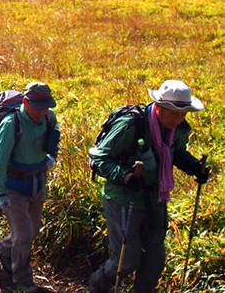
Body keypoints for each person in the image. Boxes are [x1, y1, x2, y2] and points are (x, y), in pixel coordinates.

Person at [88, 80, 210, 293]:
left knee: (154, 263)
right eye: (173, 113)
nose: (178, 119)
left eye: (183, 114)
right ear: (160, 107)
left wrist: (193, 167)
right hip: (124, 199)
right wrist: (124, 176)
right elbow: (100, 158)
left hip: (156, 199)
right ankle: (97, 284)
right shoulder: (132, 125)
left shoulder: (177, 128)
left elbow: (176, 152)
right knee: (126, 262)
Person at [0, 82, 60, 293]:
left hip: (37, 183)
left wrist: (52, 158)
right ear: (26, 102)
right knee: (24, 235)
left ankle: (3, 248)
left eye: (46, 106)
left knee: (33, 229)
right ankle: (22, 281)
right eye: (39, 106)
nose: (43, 111)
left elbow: (54, 140)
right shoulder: (11, 125)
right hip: (13, 187)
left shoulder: (48, 118)